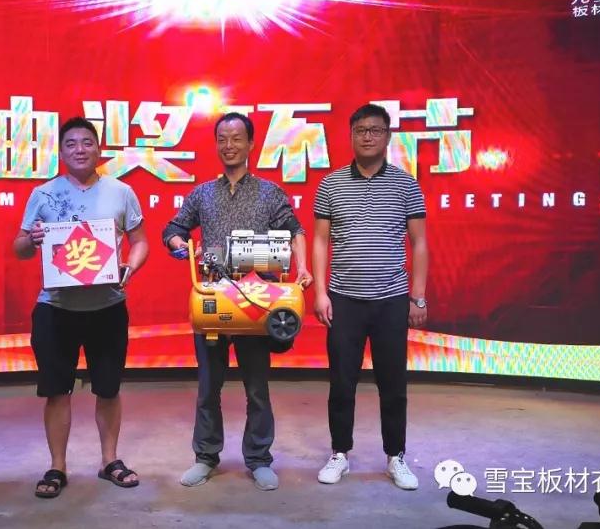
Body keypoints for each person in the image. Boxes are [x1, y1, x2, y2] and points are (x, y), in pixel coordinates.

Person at [163, 112, 312, 491]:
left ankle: (259, 458)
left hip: (255, 301)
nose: (229, 146)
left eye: (236, 138)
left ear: (251, 144)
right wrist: (180, 244)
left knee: (257, 388)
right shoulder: (202, 193)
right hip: (214, 301)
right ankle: (205, 456)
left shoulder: (269, 192)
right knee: (208, 387)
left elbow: (295, 230)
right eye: (222, 139)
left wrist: (303, 268)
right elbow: (174, 228)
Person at [14, 116, 149, 499]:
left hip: (108, 307)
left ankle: (110, 460)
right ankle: (57, 466)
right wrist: (32, 240)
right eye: (71, 143)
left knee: (108, 388)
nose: (79, 149)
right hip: (55, 309)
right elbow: (19, 248)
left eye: (87, 142)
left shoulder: (121, 191)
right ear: (60, 151)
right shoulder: (43, 194)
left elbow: (140, 241)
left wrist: (129, 268)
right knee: (57, 391)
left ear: (99, 149)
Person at [311, 103, 429, 490]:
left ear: (388, 136)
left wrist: (418, 297)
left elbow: (419, 242)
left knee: (393, 384)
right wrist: (321, 292)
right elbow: (320, 241)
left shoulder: (406, 184)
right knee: (341, 383)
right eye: (360, 130)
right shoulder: (331, 184)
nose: (367, 136)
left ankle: (396, 456)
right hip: (344, 299)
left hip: (391, 299)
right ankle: (339, 454)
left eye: (375, 130)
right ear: (351, 135)